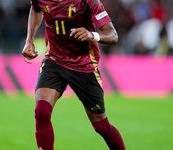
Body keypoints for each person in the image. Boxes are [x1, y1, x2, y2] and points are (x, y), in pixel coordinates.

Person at [22, 0, 126, 150]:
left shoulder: (88, 1)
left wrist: (92, 34)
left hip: (84, 65)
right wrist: (29, 40)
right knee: (41, 112)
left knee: (101, 126)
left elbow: (112, 35)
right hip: (54, 60)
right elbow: (36, 9)